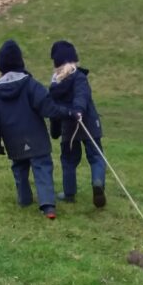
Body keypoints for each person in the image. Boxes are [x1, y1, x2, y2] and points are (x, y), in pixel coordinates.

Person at [0, 39, 76, 220]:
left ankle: (24, 200)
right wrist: (68, 112)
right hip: (36, 138)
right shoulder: (30, 84)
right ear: (20, 62)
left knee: (19, 169)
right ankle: (48, 207)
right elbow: (48, 106)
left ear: (0, 65)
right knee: (42, 169)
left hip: (13, 140)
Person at [48, 40, 106, 208]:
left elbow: (54, 110)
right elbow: (82, 96)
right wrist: (79, 109)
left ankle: (69, 193)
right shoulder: (79, 77)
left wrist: (55, 131)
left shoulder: (55, 84)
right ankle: (97, 182)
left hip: (69, 127)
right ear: (74, 60)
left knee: (68, 160)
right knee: (96, 157)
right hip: (88, 123)